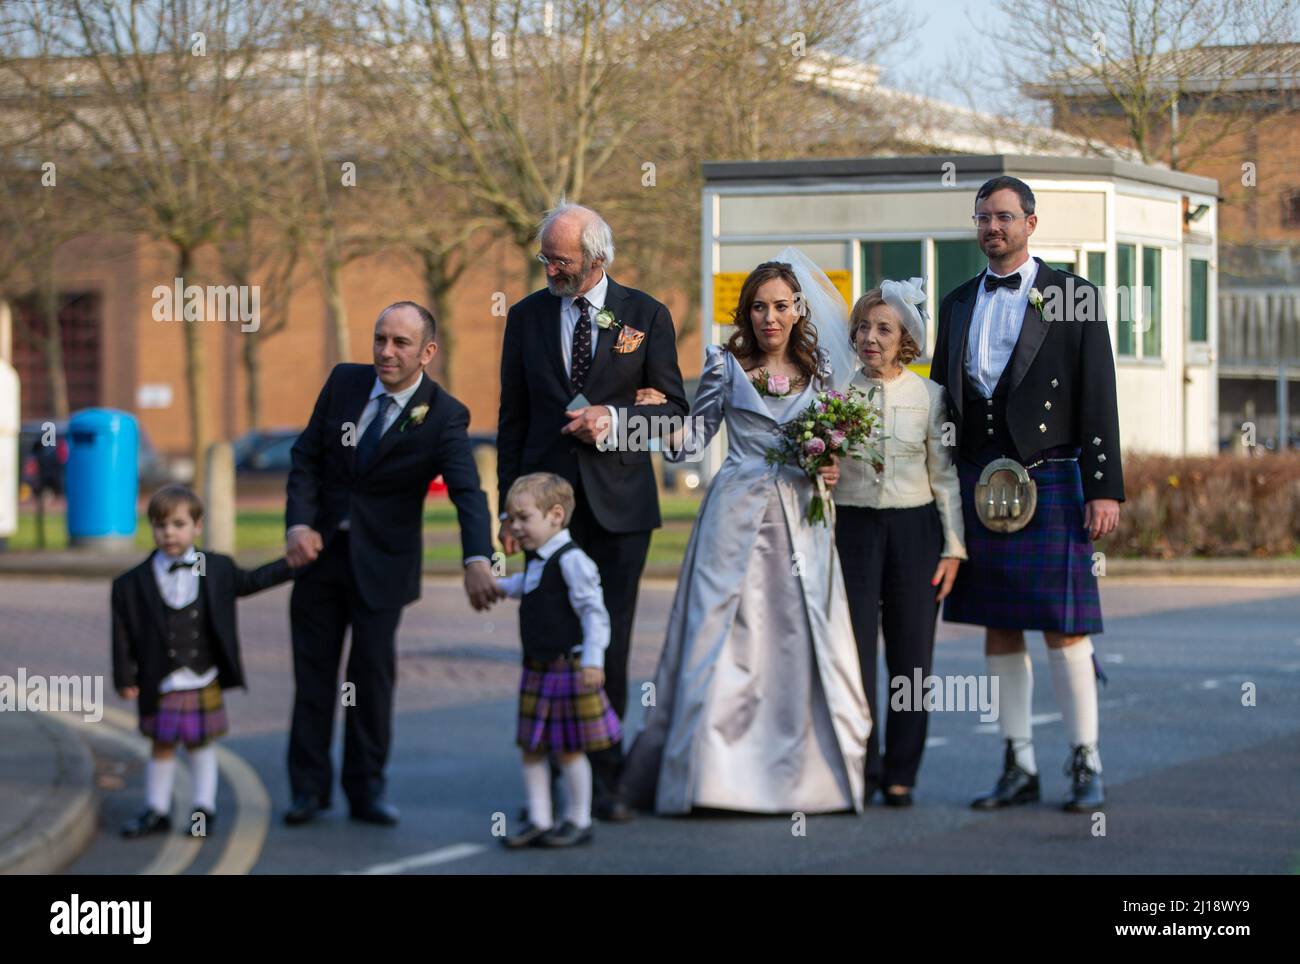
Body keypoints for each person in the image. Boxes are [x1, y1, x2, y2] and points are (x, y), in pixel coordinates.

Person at [620, 251, 871, 815]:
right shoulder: (723, 366)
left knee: (801, 637)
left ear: (798, 309)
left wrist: (830, 464)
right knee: (721, 634)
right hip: (733, 515)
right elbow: (690, 443)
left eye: (780, 305)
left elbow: (837, 447)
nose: (769, 317)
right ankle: (711, 777)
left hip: (803, 519)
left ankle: (807, 777)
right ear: (746, 312)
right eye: (758, 307)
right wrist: (654, 411)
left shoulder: (824, 372)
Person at [930, 175, 1124, 812]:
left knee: (1066, 627)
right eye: (984, 217)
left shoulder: (1074, 296)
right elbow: (943, 401)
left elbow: (1099, 397)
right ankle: (1018, 763)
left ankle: (1085, 759)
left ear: (1031, 223)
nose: (993, 227)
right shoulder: (958, 302)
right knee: (999, 626)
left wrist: (1104, 488)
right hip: (979, 483)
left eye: (1005, 217)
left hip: (1051, 477)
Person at [496, 203, 689, 821]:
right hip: (544, 511)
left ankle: (604, 777)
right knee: (547, 638)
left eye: (563, 260)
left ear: (598, 259)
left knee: (607, 642)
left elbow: (676, 418)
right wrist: (508, 507)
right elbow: (513, 419)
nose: (550, 268)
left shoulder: (645, 315)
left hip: (620, 509)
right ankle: (550, 770)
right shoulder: (525, 317)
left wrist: (615, 421)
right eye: (545, 258)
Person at [282, 301, 498, 827]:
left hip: (384, 568)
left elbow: (468, 493)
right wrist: (299, 524)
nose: (386, 352)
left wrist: (477, 557)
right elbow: (307, 457)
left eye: (400, 343)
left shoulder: (445, 415)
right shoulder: (343, 384)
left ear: (427, 352)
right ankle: (308, 790)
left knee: (370, 684)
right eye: (380, 339)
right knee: (313, 681)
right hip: (320, 563)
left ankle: (366, 790)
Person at [835, 280, 966, 807]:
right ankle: (862, 765)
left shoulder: (930, 397)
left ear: (906, 338)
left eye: (883, 328)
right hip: (852, 529)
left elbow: (948, 478)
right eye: (864, 327)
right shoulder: (837, 392)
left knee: (912, 660)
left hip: (915, 533)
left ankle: (901, 773)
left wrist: (953, 547)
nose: (870, 337)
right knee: (856, 656)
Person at [112, 484, 294, 837]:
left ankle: (202, 811)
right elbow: (121, 635)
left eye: (178, 524)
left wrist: (292, 563)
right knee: (161, 745)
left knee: (200, 745)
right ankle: (156, 810)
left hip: (202, 676)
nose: (169, 533)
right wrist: (124, 677)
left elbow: (253, 580)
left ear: (197, 527)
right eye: (161, 525)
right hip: (159, 679)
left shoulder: (219, 568)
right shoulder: (130, 584)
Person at [494, 473, 622, 849]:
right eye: (511, 519)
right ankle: (539, 819)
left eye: (522, 518)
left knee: (568, 749)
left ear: (554, 515)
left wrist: (594, 660)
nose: (515, 527)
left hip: (567, 668)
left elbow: (594, 613)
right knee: (532, 747)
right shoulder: (537, 558)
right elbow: (525, 585)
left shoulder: (574, 561)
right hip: (537, 667)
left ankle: (579, 820)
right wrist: (496, 584)